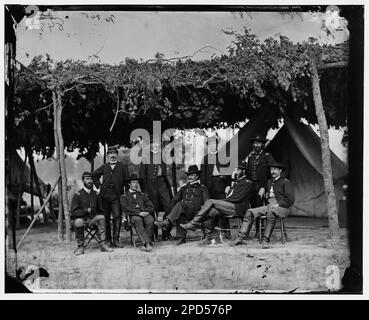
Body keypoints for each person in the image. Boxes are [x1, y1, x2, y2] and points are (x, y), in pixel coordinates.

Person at [180, 162, 254, 244]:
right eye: (236, 170)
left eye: (238, 170)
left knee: (210, 201)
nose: (236, 172)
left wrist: (221, 202)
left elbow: (238, 198)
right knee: (209, 212)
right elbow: (231, 197)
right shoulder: (237, 182)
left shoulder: (248, 183)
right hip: (230, 207)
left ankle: (193, 223)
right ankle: (209, 237)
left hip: (238, 208)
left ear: (244, 171)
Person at [234, 161, 295, 248]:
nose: (272, 171)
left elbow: (291, 199)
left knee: (270, 212)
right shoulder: (269, 182)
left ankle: (265, 241)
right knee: (250, 212)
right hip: (270, 206)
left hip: (283, 208)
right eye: (271, 169)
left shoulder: (286, 182)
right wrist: (266, 194)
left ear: (280, 170)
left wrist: (278, 204)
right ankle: (241, 238)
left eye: (275, 169)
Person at [155, 165, 209, 245]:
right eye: (189, 175)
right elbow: (174, 200)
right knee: (179, 212)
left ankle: (167, 222)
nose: (190, 177)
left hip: (195, 212)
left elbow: (207, 203)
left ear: (197, 176)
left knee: (180, 205)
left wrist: (201, 215)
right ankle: (181, 238)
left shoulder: (202, 188)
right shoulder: (184, 188)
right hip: (185, 210)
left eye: (192, 175)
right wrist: (169, 213)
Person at [93, 145, 129, 248]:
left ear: (117, 155)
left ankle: (116, 239)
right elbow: (94, 175)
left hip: (117, 196)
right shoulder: (105, 167)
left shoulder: (123, 166)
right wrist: (99, 187)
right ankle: (108, 240)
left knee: (117, 216)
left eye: (114, 154)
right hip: (105, 196)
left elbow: (127, 182)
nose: (112, 155)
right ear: (108, 156)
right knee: (106, 217)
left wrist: (126, 194)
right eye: (110, 154)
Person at [71, 172, 114, 255]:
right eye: (87, 179)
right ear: (83, 180)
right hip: (82, 220)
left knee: (101, 217)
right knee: (78, 222)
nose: (89, 181)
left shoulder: (96, 195)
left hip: (93, 220)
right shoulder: (78, 195)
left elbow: (101, 210)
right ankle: (80, 247)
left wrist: (98, 215)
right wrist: (86, 211)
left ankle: (103, 245)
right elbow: (74, 212)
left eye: (91, 179)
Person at [139, 138, 173, 241]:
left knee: (168, 206)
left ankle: (166, 232)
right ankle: (153, 234)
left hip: (162, 184)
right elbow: (141, 175)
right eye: (154, 143)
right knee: (153, 208)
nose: (156, 145)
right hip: (151, 186)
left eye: (158, 143)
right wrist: (145, 190)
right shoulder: (145, 156)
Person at [200, 134, 232, 239]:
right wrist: (203, 188)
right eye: (211, 144)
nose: (213, 146)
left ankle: (224, 231)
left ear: (217, 145)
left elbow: (228, 173)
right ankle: (210, 232)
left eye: (214, 143)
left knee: (222, 207)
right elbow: (203, 175)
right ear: (208, 146)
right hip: (209, 186)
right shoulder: (205, 158)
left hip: (221, 184)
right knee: (209, 208)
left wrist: (228, 185)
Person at [244, 134, 275, 238]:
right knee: (253, 209)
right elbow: (248, 173)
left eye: (259, 143)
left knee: (264, 209)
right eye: (255, 143)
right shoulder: (251, 157)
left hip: (263, 187)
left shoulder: (267, 156)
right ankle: (257, 230)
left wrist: (264, 187)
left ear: (262, 144)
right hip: (252, 187)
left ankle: (264, 232)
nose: (257, 145)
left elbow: (272, 174)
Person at [120, 174, 155, 252]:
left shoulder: (142, 194)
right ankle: (147, 243)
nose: (135, 184)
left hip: (144, 213)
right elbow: (126, 209)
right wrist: (138, 213)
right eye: (133, 182)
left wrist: (146, 212)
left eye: (137, 182)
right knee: (138, 220)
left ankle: (144, 243)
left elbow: (151, 206)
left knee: (150, 219)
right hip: (134, 216)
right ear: (129, 184)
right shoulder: (124, 196)